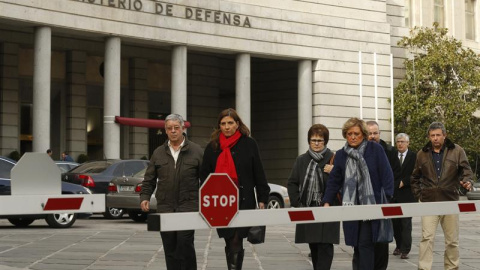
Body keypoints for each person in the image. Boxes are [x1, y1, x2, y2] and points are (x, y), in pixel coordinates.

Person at [200, 108, 270, 270]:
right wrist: (207, 198)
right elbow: (204, 176)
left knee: (237, 239)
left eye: (230, 123)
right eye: (223, 124)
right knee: (229, 239)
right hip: (221, 202)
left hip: (244, 200)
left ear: (237, 124)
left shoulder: (249, 144)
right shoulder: (213, 147)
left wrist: (262, 198)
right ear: (219, 126)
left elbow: (258, 172)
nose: (227, 127)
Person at [322, 117, 394, 270]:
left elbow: (387, 175)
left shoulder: (375, 150)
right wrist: (327, 201)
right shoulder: (341, 155)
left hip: (373, 207)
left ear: (364, 134)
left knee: (366, 243)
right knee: (359, 245)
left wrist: (386, 199)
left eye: (356, 133)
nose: (353, 137)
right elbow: (334, 180)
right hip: (352, 208)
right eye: (349, 134)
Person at [140, 114, 203, 270]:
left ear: (183, 128)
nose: (173, 131)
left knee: (185, 243)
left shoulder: (196, 151)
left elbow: (207, 179)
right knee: (169, 245)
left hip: (188, 206)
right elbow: (149, 179)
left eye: (176, 128)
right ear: (165, 130)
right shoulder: (158, 153)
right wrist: (145, 197)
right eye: (169, 128)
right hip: (165, 206)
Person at [411, 122, 474, 270]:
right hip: (428, 202)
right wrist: (419, 195)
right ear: (429, 137)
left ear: (444, 136)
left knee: (452, 241)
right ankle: (424, 268)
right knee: (426, 239)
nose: (435, 138)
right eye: (432, 135)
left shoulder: (457, 151)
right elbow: (414, 177)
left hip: (450, 201)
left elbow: (467, 171)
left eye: (438, 135)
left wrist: (467, 182)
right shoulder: (422, 153)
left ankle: (452, 268)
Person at [287, 124, 340, 270]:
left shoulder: (334, 159)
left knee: (326, 246)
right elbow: (292, 183)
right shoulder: (302, 160)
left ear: (325, 141)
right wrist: (298, 204)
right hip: (308, 208)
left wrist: (334, 172)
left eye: (320, 140)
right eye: (313, 140)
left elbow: (343, 181)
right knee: (315, 247)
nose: (316, 143)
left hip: (328, 208)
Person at [366, 121, 401, 270]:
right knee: (366, 239)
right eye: (369, 133)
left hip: (384, 201)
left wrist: (388, 196)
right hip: (365, 201)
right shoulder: (360, 150)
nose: (372, 136)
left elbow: (395, 174)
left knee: (382, 238)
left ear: (379, 134)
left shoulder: (390, 151)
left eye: (375, 133)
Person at [391, 133, 416, 259]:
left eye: (402, 141)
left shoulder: (413, 156)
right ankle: (399, 245)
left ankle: (405, 249)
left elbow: (416, 173)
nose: (400, 144)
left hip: (407, 195)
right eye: (398, 142)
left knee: (406, 223)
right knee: (395, 223)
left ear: (408, 143)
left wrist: (404, 182)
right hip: (394, 194)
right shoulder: (392, 156)